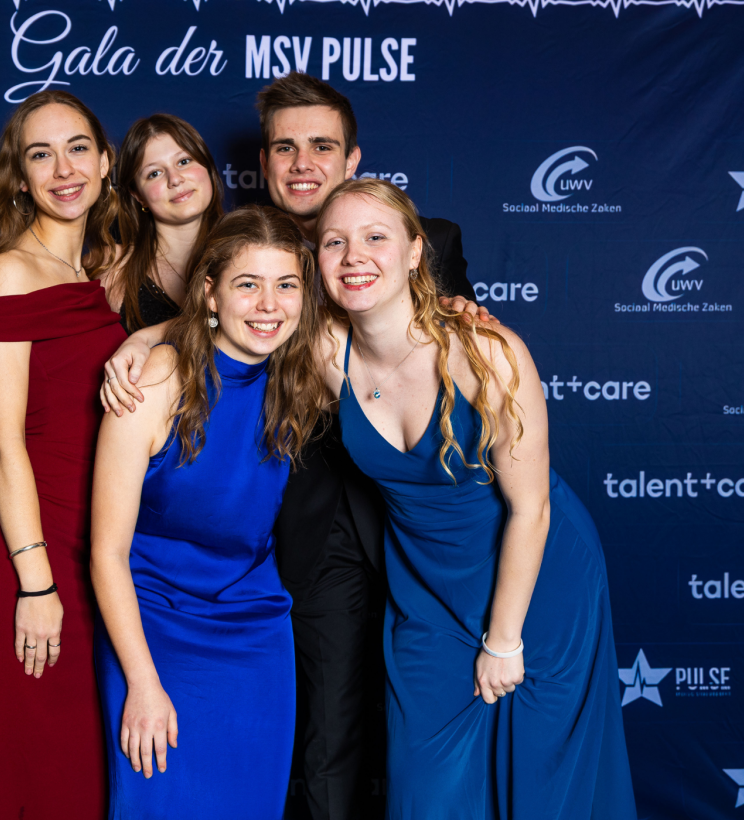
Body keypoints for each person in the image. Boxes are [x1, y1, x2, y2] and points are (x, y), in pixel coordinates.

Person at [101, 72, 489, 820]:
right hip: (297, 538)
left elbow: (456, 348)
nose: (303, 162)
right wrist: (145, 339)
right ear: (265, 162)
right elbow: (215, 305)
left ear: (353, 159)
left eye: (322, 146)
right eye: (285, 148)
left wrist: (464, 313)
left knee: (435, 733)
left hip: (421, 526)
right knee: (319, 745)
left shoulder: (424, 239)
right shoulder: (251, 245)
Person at [315, 178, 636, 819]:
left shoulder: (486, 351)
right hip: (427, 595)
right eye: (334, 242)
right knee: (425, 791)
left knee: (544, 789)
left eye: (375, 237)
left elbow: (531, 509)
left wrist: (505, 639)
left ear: (415, 252)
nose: (354, 257)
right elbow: (225, 315)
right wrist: (139, 345)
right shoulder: (323, 348)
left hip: (538, 580)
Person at [90, 206, 328, 819]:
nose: (269, 304)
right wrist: (142, 682)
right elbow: (106, 553)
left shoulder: (303, 374)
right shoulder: (156, 381)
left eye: (286, 285)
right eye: (248, 284)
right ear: (210, 292)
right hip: (153, 628)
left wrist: (459, 310)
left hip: (255, 631)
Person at [0, 90, 125, 819]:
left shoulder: (94, 271)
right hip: (17, 551)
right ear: (19, 178)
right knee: (12, 775)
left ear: (105, 162)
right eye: (40, 155)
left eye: (78, 149)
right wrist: (36, 585)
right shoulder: (9, 272)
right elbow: (2, 442)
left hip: (78, 540)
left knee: (60, 771)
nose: (63, 169)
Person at [101, 113, 224, 332]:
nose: (175, 179)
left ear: (207, 165)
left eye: (184, 162)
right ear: (138, 195)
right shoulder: (113, 267)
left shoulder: (247, 254)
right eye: (155, 173)